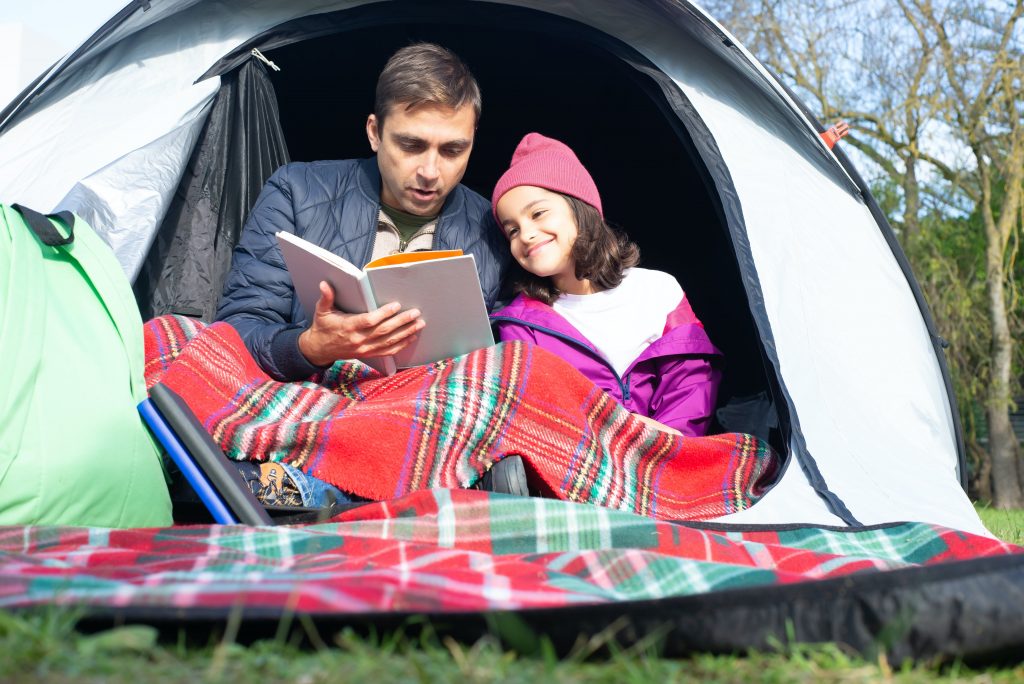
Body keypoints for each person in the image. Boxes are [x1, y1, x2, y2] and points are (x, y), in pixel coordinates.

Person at [216, 42, 509, 381]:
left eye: (452, 150)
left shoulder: (495, 230)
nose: (430, 171)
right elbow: (237, 328)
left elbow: (511, 355)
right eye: (411, 145)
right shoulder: (297, 192)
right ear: (374, 133)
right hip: (310, 405)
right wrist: (311, 347)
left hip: (430, 415)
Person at [489, 133, 722, 437]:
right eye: (513, 231)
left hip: (669, 455)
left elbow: (691, 380)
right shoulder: (521, 323)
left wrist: (667, 440)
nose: (527, 234)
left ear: (581, 209)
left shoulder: (659, 292)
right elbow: (538, 410)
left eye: (538, 214)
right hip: (578, 462)